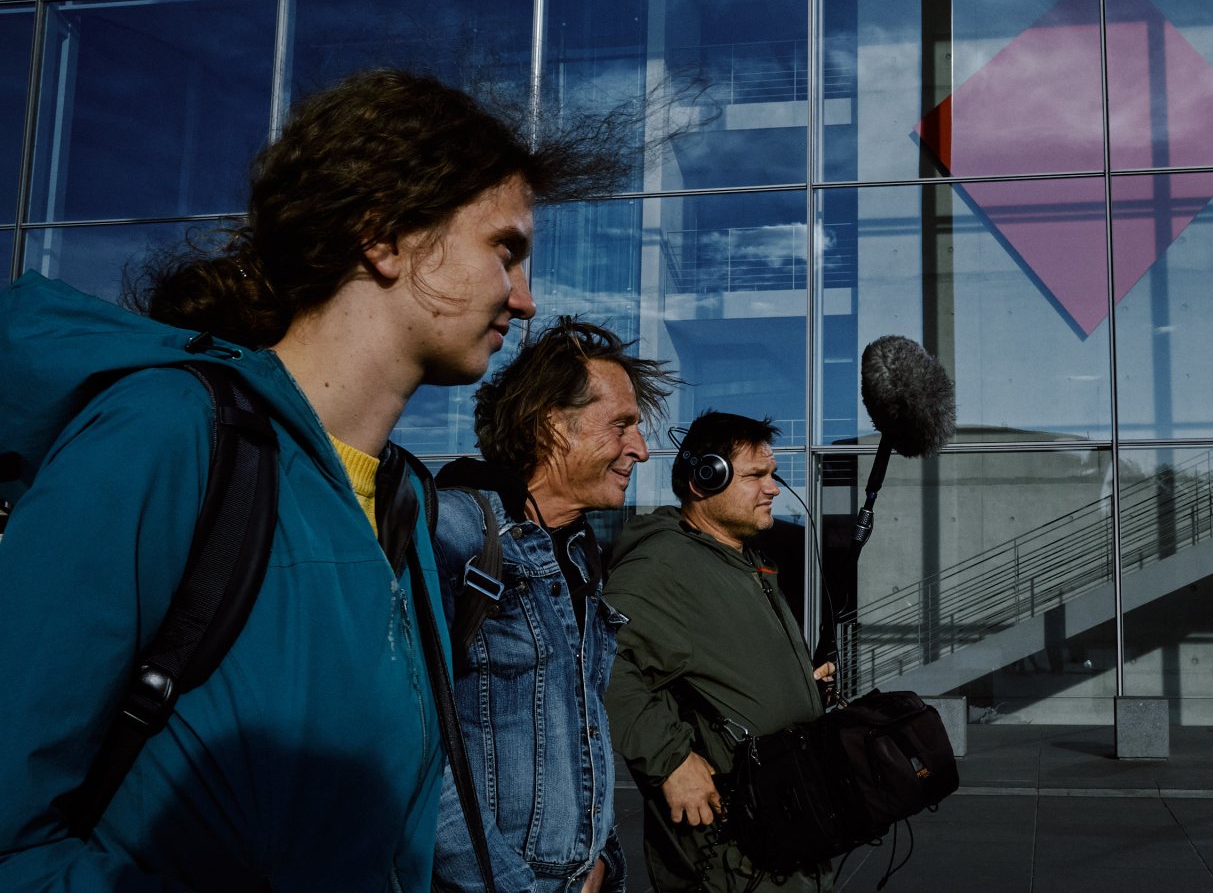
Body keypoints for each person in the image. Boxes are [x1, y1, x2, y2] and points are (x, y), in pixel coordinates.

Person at [0, 69, 582, 890]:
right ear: (384, 238)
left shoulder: (406, 504)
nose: (525, 300)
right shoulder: (167, 432)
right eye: (506, 250)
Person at [431, 318, 677, 893]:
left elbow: (576, 734)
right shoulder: (457, 531)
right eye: (622, 425)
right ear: (554, 427)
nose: (639, 449)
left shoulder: (579, 552)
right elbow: (416, 753)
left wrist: (600, 862)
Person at [603, 411, 836, 893]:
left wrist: (798, 687)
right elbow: (603, 662)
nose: (773, 488)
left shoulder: (740, 560)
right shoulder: (662, 566)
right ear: (705, 479)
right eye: (756, 476)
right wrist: (668, 760)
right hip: (729, 853)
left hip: (783, 831)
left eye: (771, 475)